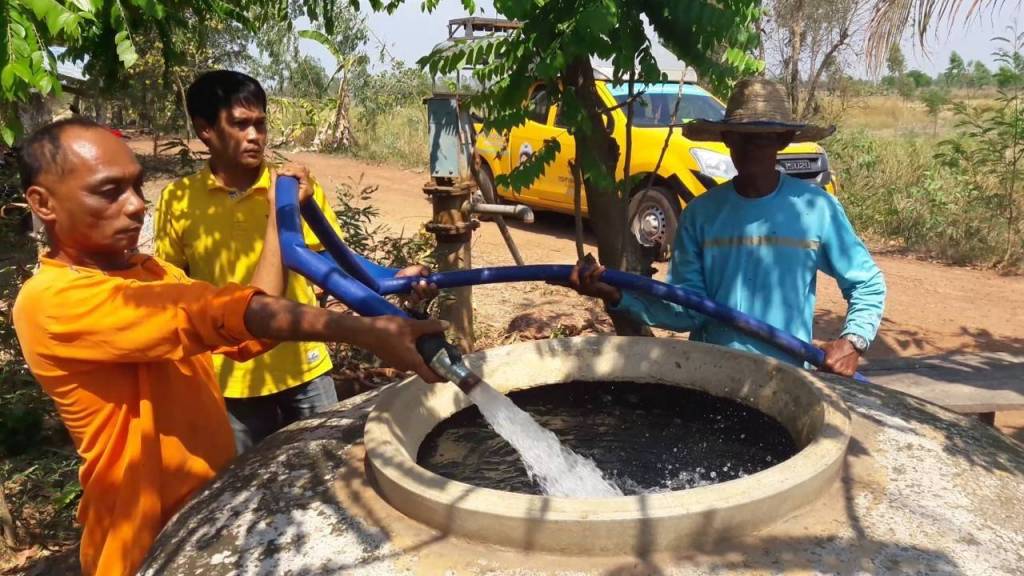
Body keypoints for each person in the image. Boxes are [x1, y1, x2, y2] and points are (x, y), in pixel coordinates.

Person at [12, 118, 446, 576]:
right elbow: (209, 312)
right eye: (109, 192)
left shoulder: (149, 273)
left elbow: (246, 316)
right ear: (43, 203)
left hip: (203, 519)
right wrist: (366, 332)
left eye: (137, 186)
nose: (136, 205)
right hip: (144, 543)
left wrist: (279, 217)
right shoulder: (52, 301)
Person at [154, 70, 435, 453]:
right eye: (240, 124)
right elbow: (173, 287)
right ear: (205, 129)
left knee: (330, 467)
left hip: (304, 367)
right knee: (247, 479)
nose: (255, 136)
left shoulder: (293, 191)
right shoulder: (178, 200)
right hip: (231, 379)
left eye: (260, 124)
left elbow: (334, 260)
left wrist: (393, 276)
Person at [568, 78, 886, 377]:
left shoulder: (816, 209)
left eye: (761, 138)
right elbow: (686, 310)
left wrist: (853, 342)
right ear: (726, 140)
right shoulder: (701, 215)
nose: (749, 148)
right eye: (740, 137)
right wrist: (616, 294)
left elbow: (867, 284)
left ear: (782, 140)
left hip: (785, 378)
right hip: (710, 375)